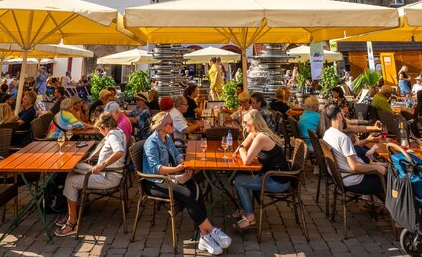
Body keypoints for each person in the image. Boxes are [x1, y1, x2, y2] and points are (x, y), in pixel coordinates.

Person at [141, 112, 230, 255]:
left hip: (170, 177)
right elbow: (156, 168)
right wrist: (177, 169)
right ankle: (212, 231)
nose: (173, 126)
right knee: (188, 194)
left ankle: (205, 237)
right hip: (155, 182)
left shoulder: (167, 137)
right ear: (162, 126)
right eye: (170, 124)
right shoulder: (151, 142)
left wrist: (182, 163)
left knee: (195, 188)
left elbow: (176, 155)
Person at [54, 112, 127, 237]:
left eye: (100, 130)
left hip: (108, 177)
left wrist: (102, 164)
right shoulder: (118, 131)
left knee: (71, 181)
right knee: (71, 173)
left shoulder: (113, 135)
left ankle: (72, 222)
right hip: (109, 173)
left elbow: (119, 152)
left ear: (104, 127)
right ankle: (74, 212)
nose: (100, 132)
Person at [232, 109, 290, 230]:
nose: (243, 125)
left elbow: (246, 160)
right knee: (239, 174)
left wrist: (241, 149)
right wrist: (242, 146)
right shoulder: (256, 134)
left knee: (239, 181)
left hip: (278, 181)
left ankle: (250, 217)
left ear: (253, 123)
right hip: (272, 175)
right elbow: (243, 144)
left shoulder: (261, 137)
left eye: (245, 122)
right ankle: (243, 210)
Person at [321, 105, 387, 198]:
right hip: (355, 181)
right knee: (393, 179)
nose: (345, 118)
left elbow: (357, 128)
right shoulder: (343, 138)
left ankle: (379, 205)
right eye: (344, 115)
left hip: (342, 178)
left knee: (383, 170)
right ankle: (396, 209)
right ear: (340, 116)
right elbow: (355, 166)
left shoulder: (327, 134)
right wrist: (377, 168)